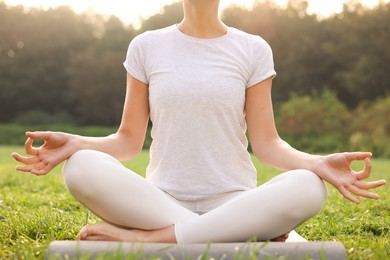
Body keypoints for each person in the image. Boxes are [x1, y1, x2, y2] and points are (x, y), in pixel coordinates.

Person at [12, 0, 386, 244]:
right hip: (158, 199)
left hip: (235, 200)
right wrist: (78, 143)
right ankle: (229, 235)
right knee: (81, 168)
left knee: (308, 186)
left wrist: (317, 164)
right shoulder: (146, 46)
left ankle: (152, 240)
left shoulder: (253, 48)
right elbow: (128, 141)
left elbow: (268, 144)